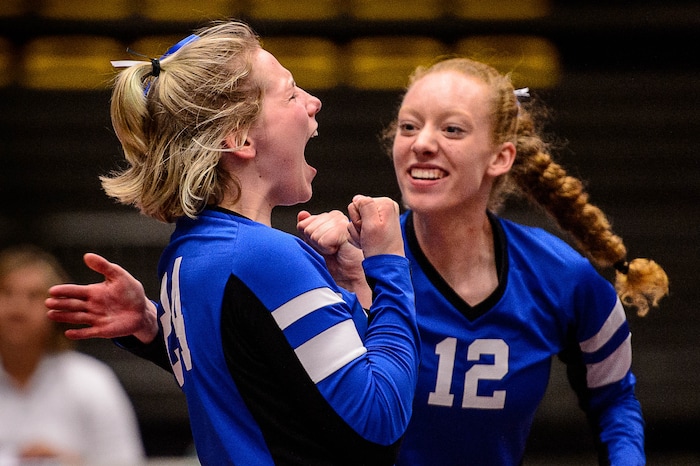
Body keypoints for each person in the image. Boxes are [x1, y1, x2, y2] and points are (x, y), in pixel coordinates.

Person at [46, 54, 670, 464]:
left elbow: (616, 401)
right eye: (407, 126)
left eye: (452, 129)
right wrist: (365, 279)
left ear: (500, 156)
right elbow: (306, 386)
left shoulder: (564, 277)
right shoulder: (348, 252)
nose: (422, 142)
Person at [47, 20, 420, 466]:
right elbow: (379, 424)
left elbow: (259, 382)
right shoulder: (265, 257)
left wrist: (154, 327)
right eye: (291, 93)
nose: (314, 103)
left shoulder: (187, 252)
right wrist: (390, 265)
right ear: (239, 138)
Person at [0, 244, 145, 465]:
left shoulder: (92, 381)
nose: (17, 308)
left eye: (33, 296)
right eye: (6, 292)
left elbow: (127, 461)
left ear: (58, 306)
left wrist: (72, 462)